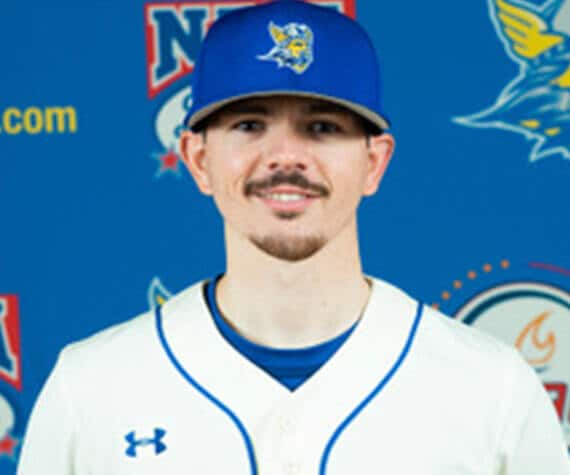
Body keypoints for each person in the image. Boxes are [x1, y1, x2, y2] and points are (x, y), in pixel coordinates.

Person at [17, 1, 570, 474]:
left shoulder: (491, 389)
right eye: (250, 125)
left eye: (322, 127)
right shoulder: (91, 388)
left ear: (374, 163)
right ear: (198, 159)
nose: (285, 157)